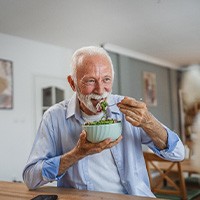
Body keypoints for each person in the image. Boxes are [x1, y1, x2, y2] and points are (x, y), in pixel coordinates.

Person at [23, 46, 185, 197]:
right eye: (90, 81)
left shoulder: (128, 108)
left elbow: (178, 153)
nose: (100, 90)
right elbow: (30, 178)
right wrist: (77, 154)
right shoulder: (54, 117)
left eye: (106, 79)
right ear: (72, 83)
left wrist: (149, 122)